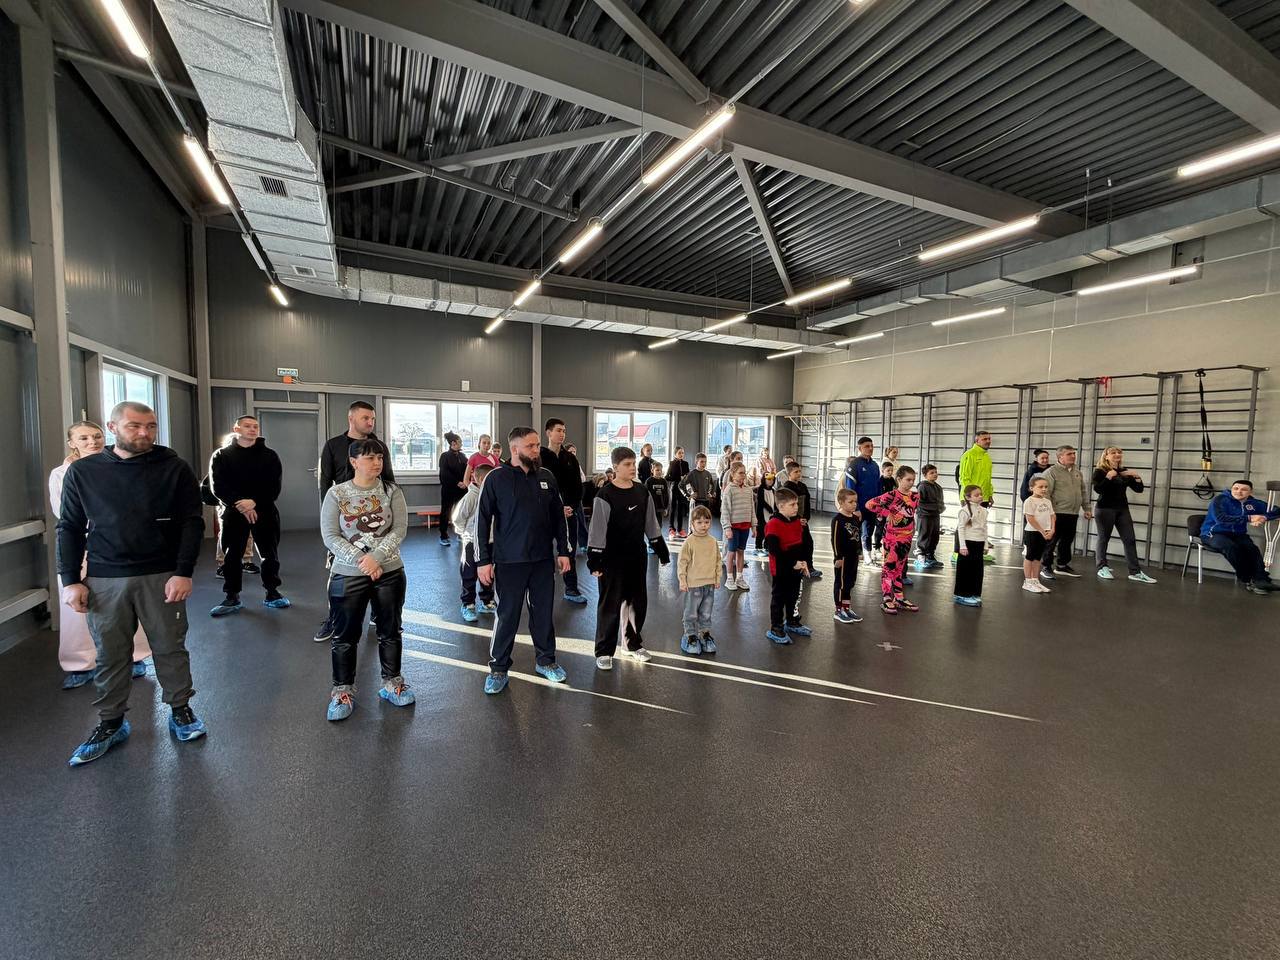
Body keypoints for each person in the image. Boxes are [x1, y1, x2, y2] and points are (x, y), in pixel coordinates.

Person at [57, 402, 206, 766]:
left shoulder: (174, 467)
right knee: (110, 654)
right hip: (105, 578)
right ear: (113, 428)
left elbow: (192, 522)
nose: (144, 433)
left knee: (169, 647)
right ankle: (111, 722)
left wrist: (183, 571)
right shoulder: (84, 472)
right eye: (134, 426)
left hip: (161, 574)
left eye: (151, 426)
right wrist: (71, 580)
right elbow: (70, 527)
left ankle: (181, 710)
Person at [49, 421, 152, 689]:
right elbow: (66, 515)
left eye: (96, 436)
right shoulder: (61, 474)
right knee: (78, 608)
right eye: (83, 438)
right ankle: (80, 663)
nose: (92, 442)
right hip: (80, 546)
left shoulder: (119, 466)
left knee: (124, 602)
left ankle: (133, 657)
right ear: (72, 443)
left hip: (117, 546)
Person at [320, 439, 413, 721]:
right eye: (370, 458)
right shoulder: (337, 493)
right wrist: (364, 560)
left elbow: (399, 529)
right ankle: (342, 691)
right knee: (345, 637)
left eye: (380, 458)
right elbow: (330, 535)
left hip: (389, 571)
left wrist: (377, 558)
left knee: (390, 630)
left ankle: (392, 682)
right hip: (348, 574)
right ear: (353, 462)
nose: (377, 463)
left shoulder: (391, 490)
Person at [477, 427, 573, 694]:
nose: (536, 450)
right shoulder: (496, 478)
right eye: (530, 446)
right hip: (509, 562)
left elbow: (558, 517)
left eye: (537, 445)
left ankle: (546, 661)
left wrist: (563, 550)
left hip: (542, 560)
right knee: (507, 615)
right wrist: (482, 560)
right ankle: (498, 668)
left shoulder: (546, 477)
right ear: (515, 449)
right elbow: (482, 521)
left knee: (543, 614)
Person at [315, 400, 396, 642]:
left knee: (379, 564)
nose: (370, 423)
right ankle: (334, 618)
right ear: (351, 419)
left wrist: (390, 519)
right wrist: (329, 519)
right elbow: (325, 483)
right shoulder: (333, 446)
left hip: (374, 519)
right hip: (345, 522)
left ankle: (378, 614)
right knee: (339, 570)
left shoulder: (379, 447)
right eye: (365, 418)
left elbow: (389, 481)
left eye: (373, 419)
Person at [586, 447, 670, 670]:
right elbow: (597, 531)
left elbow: (651, 524)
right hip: (611, 560)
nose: (633, 468)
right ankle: (604, 651)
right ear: (615, 467)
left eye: (633, 463)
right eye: (627, 464)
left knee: (636, 602)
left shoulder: (642, 492)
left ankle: (631, 644)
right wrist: (594, 560)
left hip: (636, 557)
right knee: (610, 604)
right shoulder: (604, 495)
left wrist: (661, 550)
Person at [207, 415, 288, 617]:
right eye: (247, 426)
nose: (252, 429)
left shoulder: (270, 456)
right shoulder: (221, 455)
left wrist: (254, 503)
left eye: (255, 426)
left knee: (269, 554)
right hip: (234, 513)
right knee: (232, 555)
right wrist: (241, 504)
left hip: (265, 512)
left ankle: (272, 593)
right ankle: (231, 596)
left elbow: (274, 486)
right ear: (236, 429)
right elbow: (217, 486)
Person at [540, 418, 589, 604]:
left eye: (564, 431)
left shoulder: (570, 458)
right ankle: (542, 589)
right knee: (543, 553)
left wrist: (571, 507)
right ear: (548, 433)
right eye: (558, 430)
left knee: (569, 551)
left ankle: (571, 589)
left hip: (568, 513)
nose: (562, 434)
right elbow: (536, 487)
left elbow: (578, 487)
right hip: (545, 515)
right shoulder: (540, 457)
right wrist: (555, 509)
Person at [1200, 480, 1279, 594]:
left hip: (1238, 534)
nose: (1239, 491)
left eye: (1244, 489)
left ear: (1250, 492)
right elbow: (1221, 519)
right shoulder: (1220, 500)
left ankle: (1262, 580)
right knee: (1230, 547)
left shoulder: (1253, 503)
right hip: (1213, 533)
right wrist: (1250, 518)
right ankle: (1249, 579)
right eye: (1236, 488)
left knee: (1252, 549)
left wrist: (1264, 517)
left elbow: (1277, 510)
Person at [1092, 447, 1156, 583]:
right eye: (1113, 453)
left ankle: (1135, 572)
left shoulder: (1124, 471)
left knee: (1130, 539)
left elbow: (1138, 489)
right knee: (1103, 538)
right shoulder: (1100, 471)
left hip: (1122, 509)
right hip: (1105, 509)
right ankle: (1102, 567)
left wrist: (1136, 477)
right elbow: (1098, 489)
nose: (1117, 455)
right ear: (1106, 456)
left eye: (1119, 453)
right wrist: (1108, 477)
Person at [865, 465, 921, 615]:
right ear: (899, 479)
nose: (911, 482)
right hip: (892, 538)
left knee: (900, 568)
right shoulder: (891, 495)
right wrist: (886, 513)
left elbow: (911, 514)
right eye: (908, 479)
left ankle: (899, 597)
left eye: (913, 480)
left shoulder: (915, 496)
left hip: (907, 538)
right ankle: (886, 598)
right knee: (889, 567)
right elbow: (869, 504)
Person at [763, 488, 813, 645]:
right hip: (781, 569)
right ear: (781, 506)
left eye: (797, 504)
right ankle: (776, 627)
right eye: (792, 504)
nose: (796, 507)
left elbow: (801, 544)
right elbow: (774, 550)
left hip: (796, 568)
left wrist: (804, 562)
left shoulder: (797, 521)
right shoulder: (773, 524)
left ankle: (792, 621)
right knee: (779, 598)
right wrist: (793, 563)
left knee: (794, 596)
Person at [1038, 445, 1090, 580]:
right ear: (1060, 457)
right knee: (1051, 541)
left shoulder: (1077, 472)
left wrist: (1087, 508)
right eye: (1069, 454)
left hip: (1072, 512)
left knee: (1067, 540)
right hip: (1056, 513)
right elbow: (1045, 493)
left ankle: (1062, 565)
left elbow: (1083, 491)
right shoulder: (1051, 472)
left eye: (1074, 453)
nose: (1073, 456)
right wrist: (1050, 513)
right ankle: (1046, 567)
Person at [453, 463, 496, 622]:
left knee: (488, 573)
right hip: (471, 541)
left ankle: (487, 601)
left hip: (489, 541)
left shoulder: (493, 495)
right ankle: (468, 604)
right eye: (488, 479)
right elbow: (458, 518)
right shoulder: (471, 497)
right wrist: (466, 535)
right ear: (479, 479)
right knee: (469, 573)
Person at [677, 505, 721, 656]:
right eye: (699, 522)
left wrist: (717, 578)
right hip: (693, 585)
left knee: (706, 613)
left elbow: (717, 561)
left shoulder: (713, 541)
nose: (703, 526)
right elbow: (682, 563)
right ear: (692, 524)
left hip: (709, 585)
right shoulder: (689, 542)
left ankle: (704, 634)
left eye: (706, 522)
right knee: (691, 613)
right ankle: (690, 636)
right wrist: (682, 580)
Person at [776, 462, 822, 579]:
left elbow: (807, 503)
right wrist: (795, 520)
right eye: (795, 472)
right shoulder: (786, 488)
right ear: (789, 474)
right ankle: (796, 567)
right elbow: (785, 508)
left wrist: (806, 517)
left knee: (808, 543)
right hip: (792, 522)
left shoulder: (803, 486)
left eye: (799, 471)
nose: (799, 473)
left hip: (803, 521)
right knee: (795, 546)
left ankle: (809, 567)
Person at [845, 438, 882, 557]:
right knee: (855, 533)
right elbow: (850, 488)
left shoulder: (875, 465)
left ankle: (867, 556)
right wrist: (855, 508)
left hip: (872, 506)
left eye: (872, 446)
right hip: (859, 507)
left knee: (869, 532)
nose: (870, 448)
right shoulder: (854, 464)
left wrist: (879, 506)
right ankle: (857, 555)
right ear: (859, 448)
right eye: (867, 446)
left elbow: (878, 487)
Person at [831, 488, 863, 624]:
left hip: (853, 557)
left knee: (850, 582)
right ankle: (838, 610)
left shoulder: (855, 518)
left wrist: (860, 551)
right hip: (843, 558)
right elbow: (834, 540)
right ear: (841, 502)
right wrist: (838, 557)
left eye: (855, 501)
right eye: (850, 502)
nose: (854, 504)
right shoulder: (838, 520)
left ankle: (846, 607)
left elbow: (858, 536)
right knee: (841, 583)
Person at [720, 462, 754, 591]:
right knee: (731, 552)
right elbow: (725, 511)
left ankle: (739, 578)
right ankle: (729, 578)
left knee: (741, 551)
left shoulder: (748, 490)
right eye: (740, 473)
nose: (743, 475)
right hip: (733, 527)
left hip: (745, 526)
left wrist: (754, 526)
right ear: (733, 474)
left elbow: (752, 509)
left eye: (744, 473)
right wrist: (727, 528)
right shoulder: (729, 489)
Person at [953, 485, 988, 607]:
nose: (980, 496)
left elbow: (985, 528)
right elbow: (961, 528)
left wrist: (985, 544)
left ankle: (974, 593)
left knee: (977, 570)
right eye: (976, 495)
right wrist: (962, 546)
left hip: (979, 543)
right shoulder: (964, 511)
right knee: (965, 570)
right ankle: (962, 595)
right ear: (968, 497)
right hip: (968, 543)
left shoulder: (983, 510)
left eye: (981, 494)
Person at [1022, 476, 1055, 595]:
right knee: (1030, 556)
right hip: (1032, 532)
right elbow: (1030, 519)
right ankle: (1027, 581)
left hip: (1045, 532)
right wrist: (1042, 531)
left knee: (1037, 557)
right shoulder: (1029, 501)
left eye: (1046, 487)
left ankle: (1035, 580)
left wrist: (1052, 530)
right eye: (1040, 487)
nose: (1044, 489)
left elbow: (1052, 516)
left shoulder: (1047, 501)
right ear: (1032, 488)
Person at [437, 432, 468, 546]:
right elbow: (444, 474)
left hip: (462, 489)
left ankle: (460, 533)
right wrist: (456, 482)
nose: (461, 444)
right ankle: (443, 535)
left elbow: (467, 470)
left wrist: (465, 482)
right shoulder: (445, 456)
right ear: (453, 443)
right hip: (449, 489)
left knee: (461, 511)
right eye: (460, 442)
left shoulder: (462, 456)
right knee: (446, 511)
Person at [914, 464, 944, 570]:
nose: (935, 474)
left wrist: (940, 508)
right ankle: (920, 557)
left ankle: (930, 556)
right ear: (925, 475)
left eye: (935, 472)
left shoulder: (938, 487)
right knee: (924, 535)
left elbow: (940, 501)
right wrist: (931, 508)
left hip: (935, 515)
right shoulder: (922, 486)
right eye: (931, 473)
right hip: (924, 516)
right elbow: (919, 502)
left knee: (934, 536)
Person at [681, 452, 720, 518]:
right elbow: (681, 485)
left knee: (705, 520)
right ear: (696, 462)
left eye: (705, 462)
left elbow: (713, 484)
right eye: (701, 462)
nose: (704, 463)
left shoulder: (708, 473)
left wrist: (711, 493)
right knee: (695, 520)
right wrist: (688, 495)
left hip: (706, 501)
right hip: (696, 501)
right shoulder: (691, 474)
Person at [666, 447, 691, 538]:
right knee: (673, 509)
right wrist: (677, 478)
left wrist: (685, 478)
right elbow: (667, 477)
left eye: (682, 453)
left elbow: (688, 476)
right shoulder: (672, 463)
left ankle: (680, 529)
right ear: (675, 454)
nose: (681, 454)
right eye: (679, 453)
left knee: (681, 509)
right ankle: (671, 529)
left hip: (682, 489)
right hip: (674, 488)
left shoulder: (685, 463)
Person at [753, 471, 777, 558]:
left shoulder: (773, 490)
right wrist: (768, 508)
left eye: (772, 479)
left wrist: (775, 508)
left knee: (769, 531)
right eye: (768, 479)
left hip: (771, 515)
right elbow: (761, 501)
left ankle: (767, 547)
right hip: (762, 514)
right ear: (764, 480)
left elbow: (774, 501)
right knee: (761, 531)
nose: (770, 481)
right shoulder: (760, 489)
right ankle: (758, 547)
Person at [644, 460, 670, 540]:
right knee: (651, 526)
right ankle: (651, 542)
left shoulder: (663, 481)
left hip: (660, 507)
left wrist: (666, 508)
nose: (659, 472)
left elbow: (666, 495)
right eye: (657, 470)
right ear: (652, 471)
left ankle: (658, 540)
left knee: (659, 525)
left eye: (661, 470)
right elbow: (645, 495)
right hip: (651, 508)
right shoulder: (649, 481)